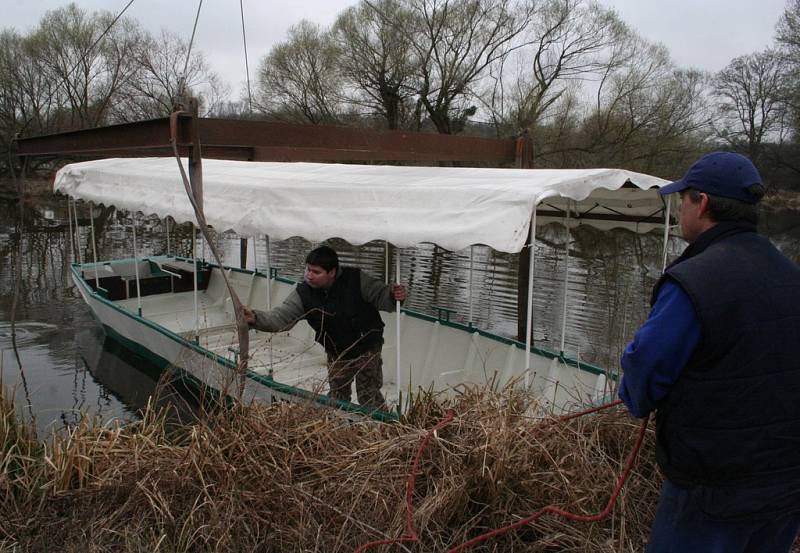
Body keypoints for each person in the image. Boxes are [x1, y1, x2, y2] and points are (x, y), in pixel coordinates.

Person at [618, 152, 800, 553]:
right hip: (786, 488)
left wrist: (633, 394)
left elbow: (645, 369)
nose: (680, 207)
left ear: (701, 203)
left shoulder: (694, 282)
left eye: (683, 198)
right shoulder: (792, 277)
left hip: (712, 493)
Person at [243, 245, 407, 410]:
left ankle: (382, 428)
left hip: (367, 347)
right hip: (336, 350)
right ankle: (339, 427)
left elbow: (381, 296)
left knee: (368, 395)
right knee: (337, 396)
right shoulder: (304, 294)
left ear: (332, 272)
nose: (309, 276)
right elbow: (280, 318)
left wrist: (393, 296)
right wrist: (256, 318)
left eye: (316, 272)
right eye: (308, 270)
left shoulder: (356, 280)